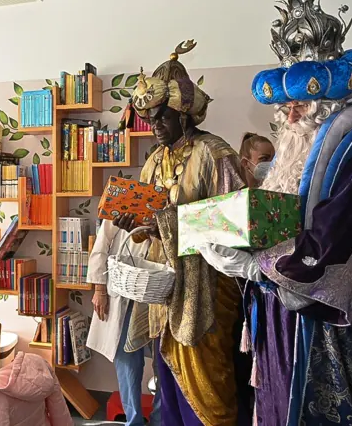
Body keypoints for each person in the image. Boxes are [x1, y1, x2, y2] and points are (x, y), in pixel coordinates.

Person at [199, 1, 352, 425]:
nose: (290, 114)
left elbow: (333, 248)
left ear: (334, 96)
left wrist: (254, 267)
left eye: (302, 101)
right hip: (290, 320)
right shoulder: (309, 147)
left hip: (335, 335)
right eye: (286, 104)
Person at [112, 39, 251, 425]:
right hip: (166, 289)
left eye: (163, 117)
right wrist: (137, 224)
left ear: (185, 115)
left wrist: (168, 221)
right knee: (168, 384)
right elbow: (150, 224)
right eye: (150, 118)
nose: (154, 126)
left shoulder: (215, 153)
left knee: (209, 387)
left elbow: (236, 221)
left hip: (207, 288)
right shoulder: (154, 161)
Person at [85, 219, 161, 426]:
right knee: (127, 361)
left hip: (160, 288)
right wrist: (99, 289)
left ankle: (160, 420)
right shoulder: (125, 192)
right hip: (124, 289)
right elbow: (102, 244)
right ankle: (133, 420)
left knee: (165, 362)